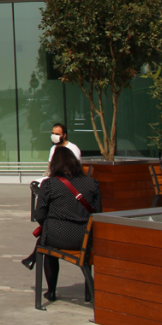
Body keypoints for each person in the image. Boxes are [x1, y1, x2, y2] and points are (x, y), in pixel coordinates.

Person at [24, 146, 101, 302]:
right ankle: (88, 294)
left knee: (48, 248)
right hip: (84, 238)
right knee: (48, 236)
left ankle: (51, 291)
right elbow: (98, 212)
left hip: (58, 235)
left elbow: (39, 214)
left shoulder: (49, 184)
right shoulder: (92, 183)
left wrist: (48, 225)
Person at [30, 123, 83, 196]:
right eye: (53, 133)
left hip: (68, 179)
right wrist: (45, 175)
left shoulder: (73, 148)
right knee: (35, 184)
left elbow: (74, 168)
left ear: (64, 135)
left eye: (57, 134)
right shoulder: (53, 148)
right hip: (55, 178)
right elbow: (50, 166)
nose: (54, 136)